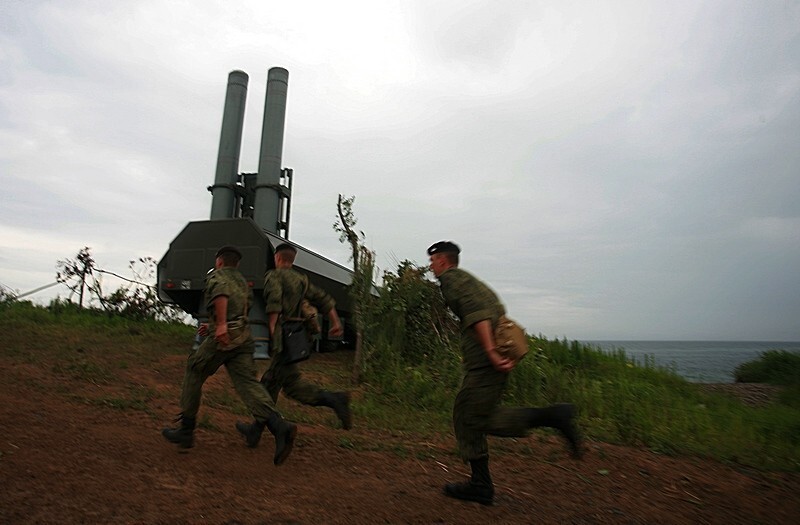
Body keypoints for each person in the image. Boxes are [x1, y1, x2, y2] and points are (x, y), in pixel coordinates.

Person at [427, 240, 582, 506]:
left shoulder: (452, 280)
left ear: (442, 260)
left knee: (473, 417)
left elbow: (479, 315)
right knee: (467, 414)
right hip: (488, 358)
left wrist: (490, 352)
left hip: (486, 361)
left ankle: (552, 417)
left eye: (433, 261)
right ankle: (481, 484)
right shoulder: (468, 280)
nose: (430, 266)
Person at [162, 245, 297, 466]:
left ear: (220, 262)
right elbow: (242, 308)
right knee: (248, 384)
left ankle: (186, 431)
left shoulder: (218, 277)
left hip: (225, 338)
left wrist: (222, 325)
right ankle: (279, 427)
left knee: (194, 370)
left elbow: (220, 293)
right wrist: (215, 324)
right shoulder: (242, 282)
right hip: (243, 336)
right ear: (238, 264)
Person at [257, 242, 352, 430]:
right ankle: (256, 428)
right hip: (297, 336)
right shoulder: (302, 280)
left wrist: (271, 329)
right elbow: (323, 298)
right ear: (292, 260)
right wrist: (336, 322)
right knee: (271, 381)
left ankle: (334, 399)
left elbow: (274, 303)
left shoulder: (273, 276)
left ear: (277, 258)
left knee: (290, 386)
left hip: (283, 337)